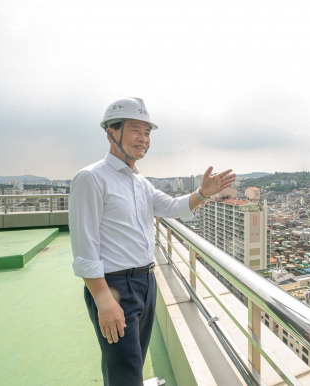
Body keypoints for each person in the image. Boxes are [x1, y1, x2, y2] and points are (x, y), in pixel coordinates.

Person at [69, 97, 235, 386]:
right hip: (114, 286)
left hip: (146, 282)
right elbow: (84, 248)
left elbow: (172, 207)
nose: (144, 139)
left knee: (130, 363)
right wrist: (104, 301)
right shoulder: (91, 178)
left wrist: (203, 193)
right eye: (136, 130)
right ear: (111, 131)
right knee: (125, 372)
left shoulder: (139, 182)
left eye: (147, 133)